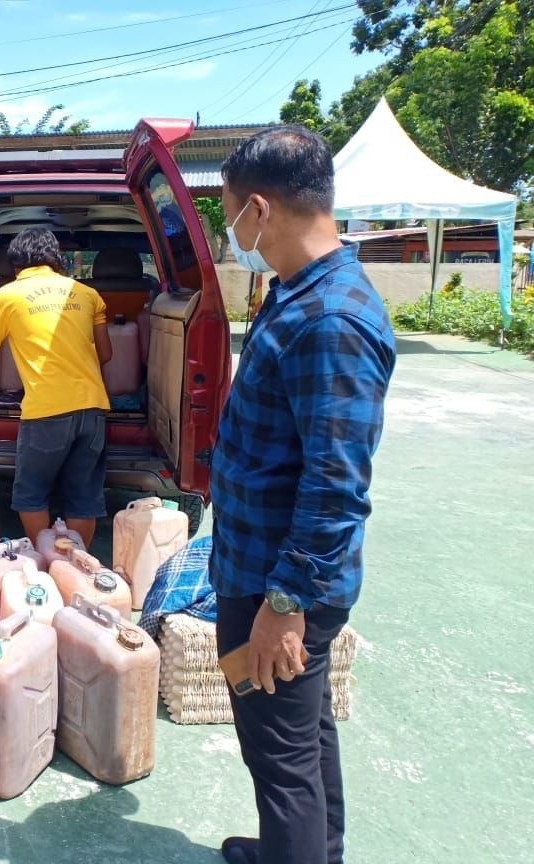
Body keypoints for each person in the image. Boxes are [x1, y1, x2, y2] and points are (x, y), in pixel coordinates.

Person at [210, 126, 396, 864]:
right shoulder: (297, 290)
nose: (233, 235)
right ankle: (316, 852)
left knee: (280, 759)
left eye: (230, 215)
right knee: (305, 733)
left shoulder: (332, 321)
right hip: (259, 564)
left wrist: (284, 605)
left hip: (281, 583)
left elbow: (336, 485)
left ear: (259, 209)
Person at [0, 227, 112, 548]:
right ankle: (76, 562)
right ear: (55, 258)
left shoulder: (5, 297)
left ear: (15, 261)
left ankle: (46, 561)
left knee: (31, 493)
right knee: (83, 496)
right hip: (93, 408)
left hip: (46, 412)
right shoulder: (87, 294)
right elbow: (106, 354)